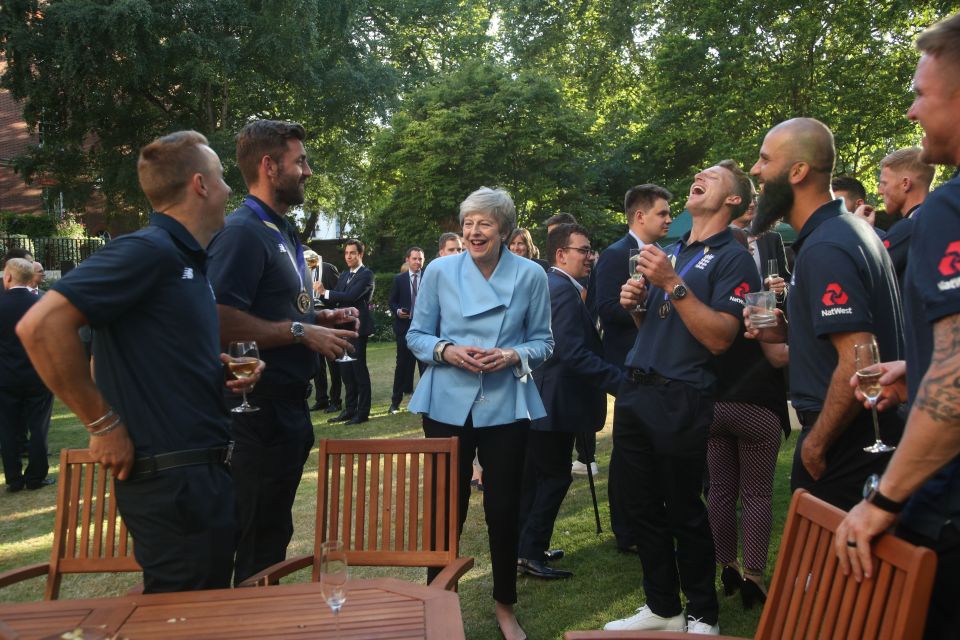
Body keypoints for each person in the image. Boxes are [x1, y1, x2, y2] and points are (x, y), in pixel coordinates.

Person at [17, 130, 262, 592]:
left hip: (201, 476)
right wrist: (102, 424)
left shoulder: (185, 260)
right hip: (173, 484)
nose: (230, 188)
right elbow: (40, 327)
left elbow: (157, 352)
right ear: (201, 185)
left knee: (204, 618)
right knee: (181, 622)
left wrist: (216, 367)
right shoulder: (148, 250)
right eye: (222, 177)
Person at [835, 13, 960, 639]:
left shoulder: (949, 207)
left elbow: (957, 386)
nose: (911, 111)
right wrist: (920, 369)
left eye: (920, 93)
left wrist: (881, 502)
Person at [604, 161, 759, 634]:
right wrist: (637, 306)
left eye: (713, 175)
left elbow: (719, 338)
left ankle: (701, 612)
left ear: (733, 199)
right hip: (637, 390)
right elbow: (661, 325)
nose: (700, 176)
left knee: (684, 509)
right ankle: (662, 607)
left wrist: (671, 282)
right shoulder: (673, 249)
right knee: (642, 507)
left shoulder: (733, 257)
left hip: (682, 397)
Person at [206, 120, 358, 586]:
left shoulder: (285, 232)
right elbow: (217, 319)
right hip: (255, 414)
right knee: (255, 540)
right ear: (270, 167)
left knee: (273, 532)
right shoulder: (242, 232)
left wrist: (318, 321)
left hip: (288, 410)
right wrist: (299, 331)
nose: (308, 171)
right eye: (301, 161)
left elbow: (278, 310)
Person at [405, 186, 553, 640]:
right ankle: (437, 604)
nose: (473, 231)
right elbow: (416, 335)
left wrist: (511, 356)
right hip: (446, 404)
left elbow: (544, 342)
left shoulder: (531, 276)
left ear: (505, 230)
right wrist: (447, 350)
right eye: (468, 223)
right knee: (444, 510)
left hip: (505, 405)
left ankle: (505, 605)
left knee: (504, 508)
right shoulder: (439, 271)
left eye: (483, 223)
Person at [747, 118, 904, 511]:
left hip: (846, 438)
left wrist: (815, 444)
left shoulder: (825, 247)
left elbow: (859, 356)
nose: (755, 171)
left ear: (797, 172)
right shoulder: (845, 230)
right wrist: (790, 331)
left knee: (827, 570)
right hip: (862, 429)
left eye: (765, 159)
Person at [517, 223, 623, 580]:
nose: (590, 257)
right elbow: (572, 352)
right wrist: (621, 383)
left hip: (546, 402)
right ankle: (530, 552)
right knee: (554, 478)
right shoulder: (561, 289)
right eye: (584, 249)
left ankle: (526, 547)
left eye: (590, 250)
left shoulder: (558, 286)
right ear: (561, 254)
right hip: (553, 403)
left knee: (538, 478)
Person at [706, 227, 791, 609]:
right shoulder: (760, 301)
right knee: (756, 495)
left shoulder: (706, 303)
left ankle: (727, 564)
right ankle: (754, 576)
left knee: (720, 492)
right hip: (757, 406)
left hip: (714, 406)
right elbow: (776, 356)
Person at [592, 183, 672, 554]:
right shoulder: (614, 255)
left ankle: (649, 518)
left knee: (650, 450)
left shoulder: (667, 255)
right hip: (627, 364)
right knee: (627, 453)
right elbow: (604, 308)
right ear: (640, 216)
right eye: (663, 213)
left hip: (659, 364)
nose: (670, 219)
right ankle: (626, 530)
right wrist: (636, 305)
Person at [0, 258, 53, 492]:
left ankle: (13, 477)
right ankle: (36, 476)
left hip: (6, 377)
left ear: (8, 277)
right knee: (38, 427)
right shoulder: (41, 303)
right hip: (38, 375)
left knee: (8, 428)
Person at [318, 239, 375, 424]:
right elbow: (336, 301)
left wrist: (325, 292)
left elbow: (350, 297)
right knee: (346, 373)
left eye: (352, 253)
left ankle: (363, 412)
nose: (348, 256)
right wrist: (319, 296)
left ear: (360, 255)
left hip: (357, 329)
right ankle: (350, 410)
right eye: (346, 253)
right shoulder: (343, 275)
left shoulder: (366, 275)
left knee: (359, 371)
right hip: (342, 329)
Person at [877, 147, 935, 284]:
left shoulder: (910, 228)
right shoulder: (939, 221)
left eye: (884, 183)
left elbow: (870, 274)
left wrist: (861, 230)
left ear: (905, 184)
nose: (880, 191)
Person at [388, 246, 426, 414]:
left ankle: (425, 403)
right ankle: (395, 402)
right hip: (404, 328)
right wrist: (398, 311)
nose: (418, 262)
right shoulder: (399, 279)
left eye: (420, 259)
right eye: (415, 258)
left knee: (425, 366)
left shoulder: (428, 278)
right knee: (402, 365)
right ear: (407, 260)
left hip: (425, 329)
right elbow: (392, 302)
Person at [305, 249, 342, 413]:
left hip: (329, 322)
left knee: (333, 362)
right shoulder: (300, 273)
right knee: (317, 363)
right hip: (312, 321)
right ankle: (322, 399)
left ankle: (336, 400)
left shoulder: (328, 268)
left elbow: (339, 295)